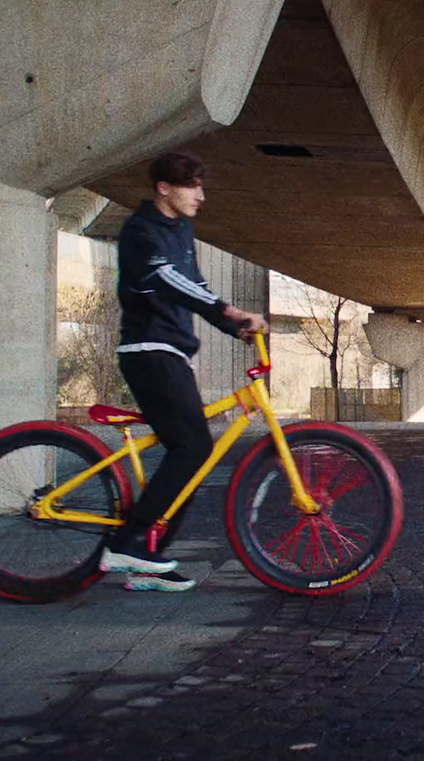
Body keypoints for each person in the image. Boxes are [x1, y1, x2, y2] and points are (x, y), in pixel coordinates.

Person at [98, 151, 268, 592]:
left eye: (201, 186)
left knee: (192, 455)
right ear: (164, 188)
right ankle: (127, 541)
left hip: (172, 352)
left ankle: (146, 561)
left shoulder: (181, 231)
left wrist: (234, 327)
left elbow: (197, 290)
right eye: (193, 186)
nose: (201, 196)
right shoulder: (140, 232)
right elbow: (169, 280)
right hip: (147, 350)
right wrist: (228, 308)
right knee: (192, 448)